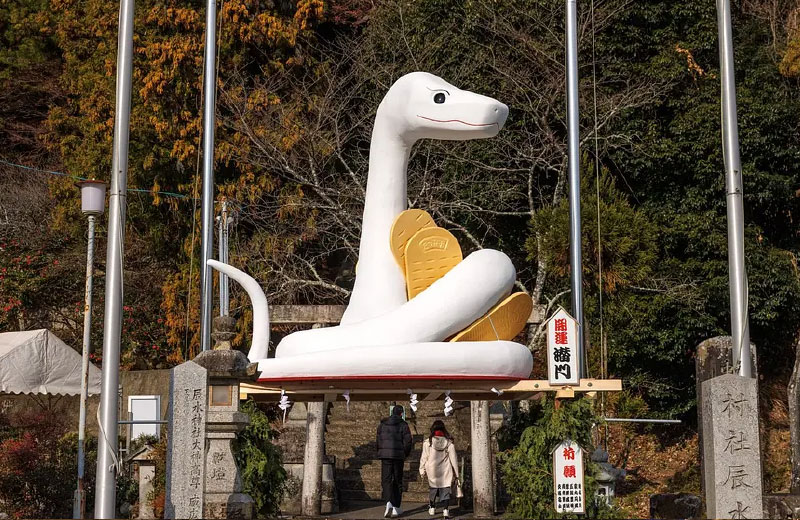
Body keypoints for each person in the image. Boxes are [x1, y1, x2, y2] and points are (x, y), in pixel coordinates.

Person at [377, 405, 413, 518]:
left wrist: (380, 452)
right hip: (398, 456)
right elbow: (408, 442)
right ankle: (396, 507)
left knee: (386, 480)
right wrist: (405, 453)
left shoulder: (382, 425)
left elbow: (378, 441)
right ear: (401, 413)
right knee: (397, 481)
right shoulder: (403, 425)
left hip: (385, 456)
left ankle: (388, 501)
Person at [419, 420, 459, 518]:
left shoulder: (428, 442)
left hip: (432, 470)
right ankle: (445, 510)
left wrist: (422, 469)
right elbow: (454, 459)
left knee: (433, 489)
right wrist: (457, 474)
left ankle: (432, 508)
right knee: (445, 490)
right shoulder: (449, 443)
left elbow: (424, 457)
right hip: (445, 470)